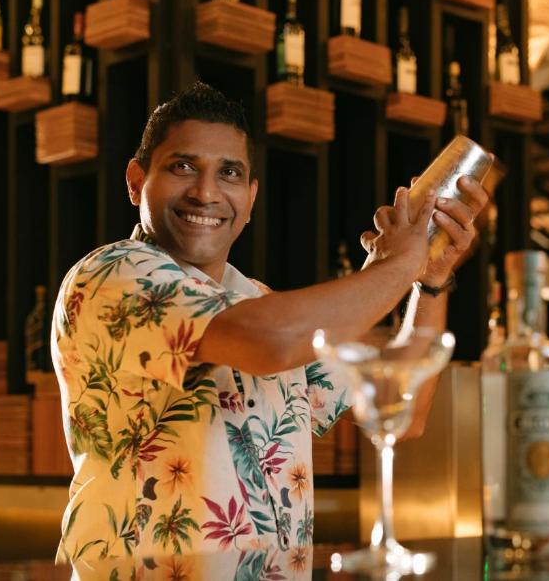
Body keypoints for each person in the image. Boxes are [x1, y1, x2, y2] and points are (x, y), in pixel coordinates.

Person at [52, 82, 488, 562]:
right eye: (183, 167)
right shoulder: (113, 276)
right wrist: (399, 267)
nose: (205, 192)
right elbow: (268, 341)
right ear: (136, 180)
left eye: (229, 173)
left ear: (251, 196)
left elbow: (399, 412)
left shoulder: (255, 300)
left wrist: (429, 278)